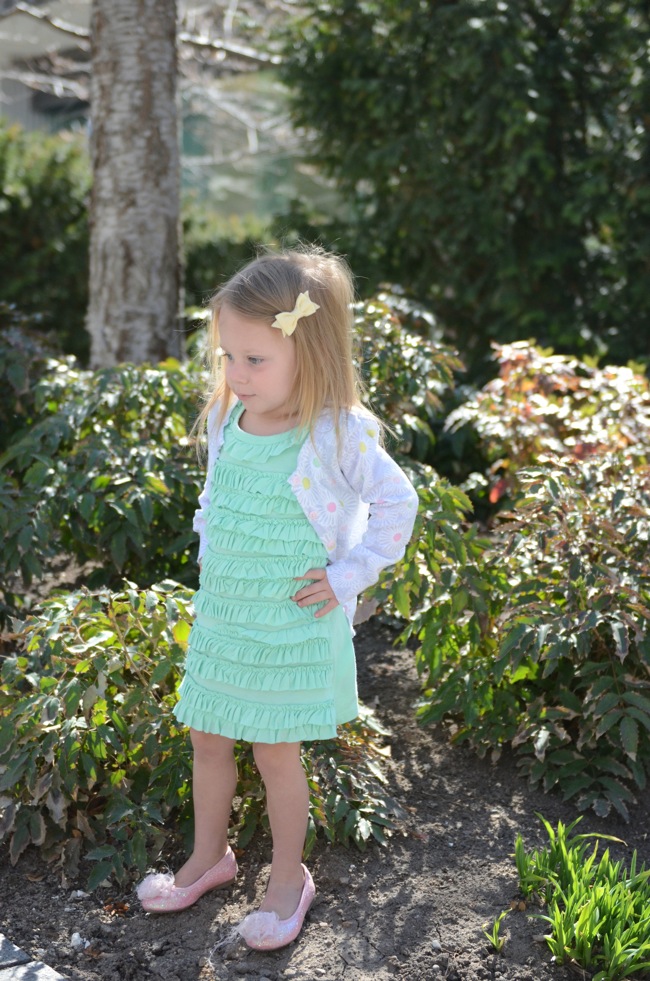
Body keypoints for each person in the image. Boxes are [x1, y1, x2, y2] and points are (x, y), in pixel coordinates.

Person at [137, 246, 418, 950]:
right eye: (228, 356)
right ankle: (210, 857)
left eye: (255, 359)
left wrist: (349, 574)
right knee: (207, 736)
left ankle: (289, 878)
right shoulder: (228, 417)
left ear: (309, 351)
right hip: (229, 617)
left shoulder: (333, 434)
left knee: (273, 751)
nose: (236, 373)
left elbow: (398, 502)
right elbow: (219, 497)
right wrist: (217, 561)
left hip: (289, 623)